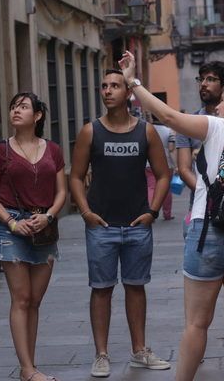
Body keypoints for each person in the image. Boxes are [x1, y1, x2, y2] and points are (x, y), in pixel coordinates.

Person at [118, 50, 224, 381]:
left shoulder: (217, 127)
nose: (217, 106)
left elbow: (168, 116)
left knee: (196, 323)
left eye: (223, 101)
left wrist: (133, 81)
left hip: (210, 231)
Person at [69, 69, 172, 378]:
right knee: (101, 289)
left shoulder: (146, 132)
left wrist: (152, 212)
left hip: (137, 224)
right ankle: (101, 354)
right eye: (104, 86)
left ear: (129, 93)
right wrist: (86, 212)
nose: (108, 91)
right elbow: (74, 176)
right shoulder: (91, 131)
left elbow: (164, 174)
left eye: (115, 85)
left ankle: (140, 351)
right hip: (101, 226)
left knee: (136, 287)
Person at [0, 93, 67, 381]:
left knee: (34, 300)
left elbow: (61, 193)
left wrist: (49, 216)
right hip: (11, 227)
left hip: (44, 227)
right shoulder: (1, 151)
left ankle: (29, 365)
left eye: (23, 107)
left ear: (38, 116)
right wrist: (11, 223)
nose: (16, 111)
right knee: (20, 298)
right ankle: (27, 369)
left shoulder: (53, 150)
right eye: (13, 107)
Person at [176, 61, 224, 238]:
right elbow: (184, 169)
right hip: (200, 210)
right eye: (201, 79)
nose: (203, 84)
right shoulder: (188, 123)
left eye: (211, 79)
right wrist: (208, 193)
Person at [147, 118, 176, 220]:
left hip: (148, 162)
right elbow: (171, 148)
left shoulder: (146, 130)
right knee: (166, 188)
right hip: (166, 162)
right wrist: (176, 165)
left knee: (151, 187)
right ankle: (167, 214)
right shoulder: (169, 131)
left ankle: (150, 213)